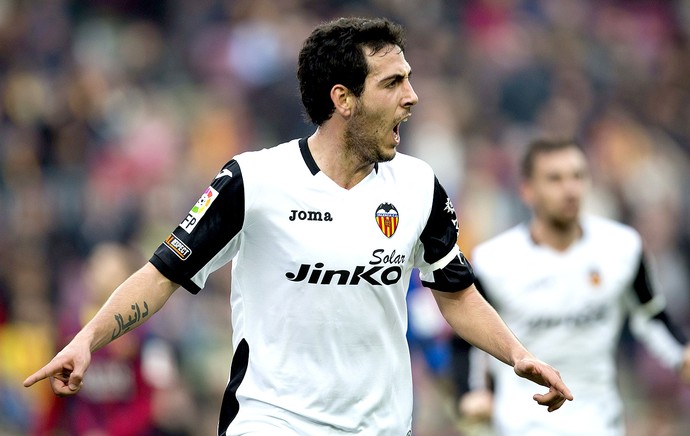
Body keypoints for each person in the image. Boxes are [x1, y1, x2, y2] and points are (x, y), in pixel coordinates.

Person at [23, 17, 573, 436]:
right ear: (344, 99)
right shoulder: (254, 180)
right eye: (393, 83)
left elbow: (455, 293)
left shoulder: (418, 185)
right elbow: (164, 272)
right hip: (272, 421)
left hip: (380, 426)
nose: (412, 96)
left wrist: (517, 354)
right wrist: (88, 338)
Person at [455, 138, 690, 435]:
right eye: (555, 179)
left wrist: (681, 354)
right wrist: (471, 392)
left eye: (578, 176)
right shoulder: (494, 261)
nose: (570, 189)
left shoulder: (622, 248)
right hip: (522, 422)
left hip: (599, 419)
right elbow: (466, 340)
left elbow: (651, 316)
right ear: (527, 190)